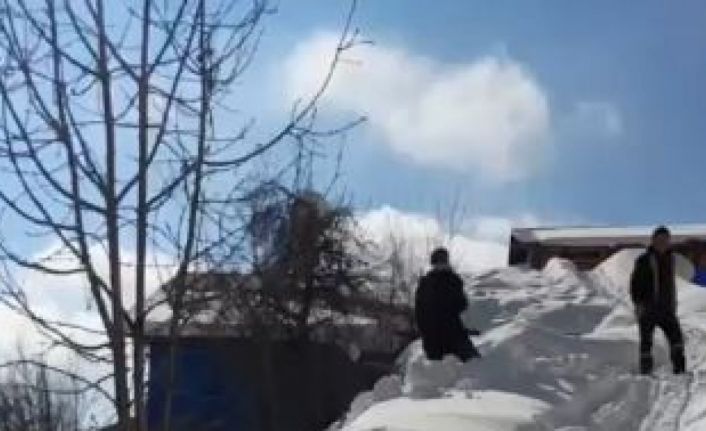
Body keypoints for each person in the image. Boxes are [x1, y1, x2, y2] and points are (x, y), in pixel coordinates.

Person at [630, 226, 686, 375]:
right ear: (653, 241)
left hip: (666, 308)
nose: (663, 243)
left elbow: (670, 284)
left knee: (677, 339)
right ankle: (646, 374)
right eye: (660, 240)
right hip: (648, 308)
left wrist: (672, 303)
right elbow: (634, 284)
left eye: (666, 240)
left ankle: (680, 371)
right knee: (646, 342)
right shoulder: (644, 260)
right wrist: (639, 304)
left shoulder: (670, 259)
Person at [415, 247, 480, 362]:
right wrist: (425, 333)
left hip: (452, 332)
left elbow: (462, 305)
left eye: (443, 261)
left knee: (474, 363)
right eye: (439, 261)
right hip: (435, 335)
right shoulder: (427, 283)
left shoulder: (453, 280)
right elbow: (420, 312)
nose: (441, 264)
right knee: (440, 369)